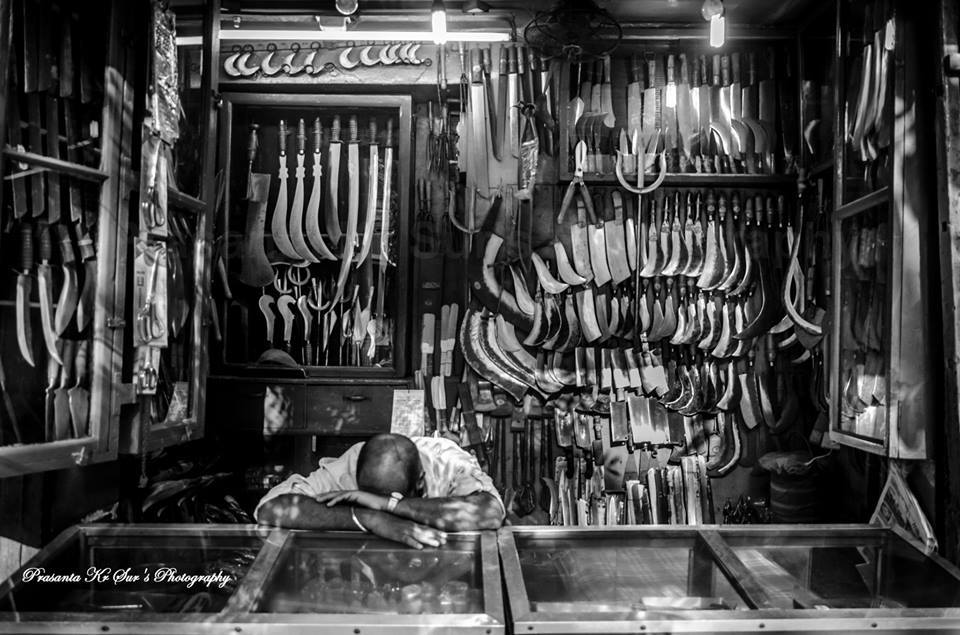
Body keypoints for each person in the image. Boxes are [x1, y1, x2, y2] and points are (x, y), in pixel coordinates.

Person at [255, 433, 505, 549]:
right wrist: (368, 517)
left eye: (396, 496)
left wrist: (389, 506)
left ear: (420, 482)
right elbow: (272, 508)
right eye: (370, 495)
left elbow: (490, 512)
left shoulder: (447, 462)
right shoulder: (353, 463)